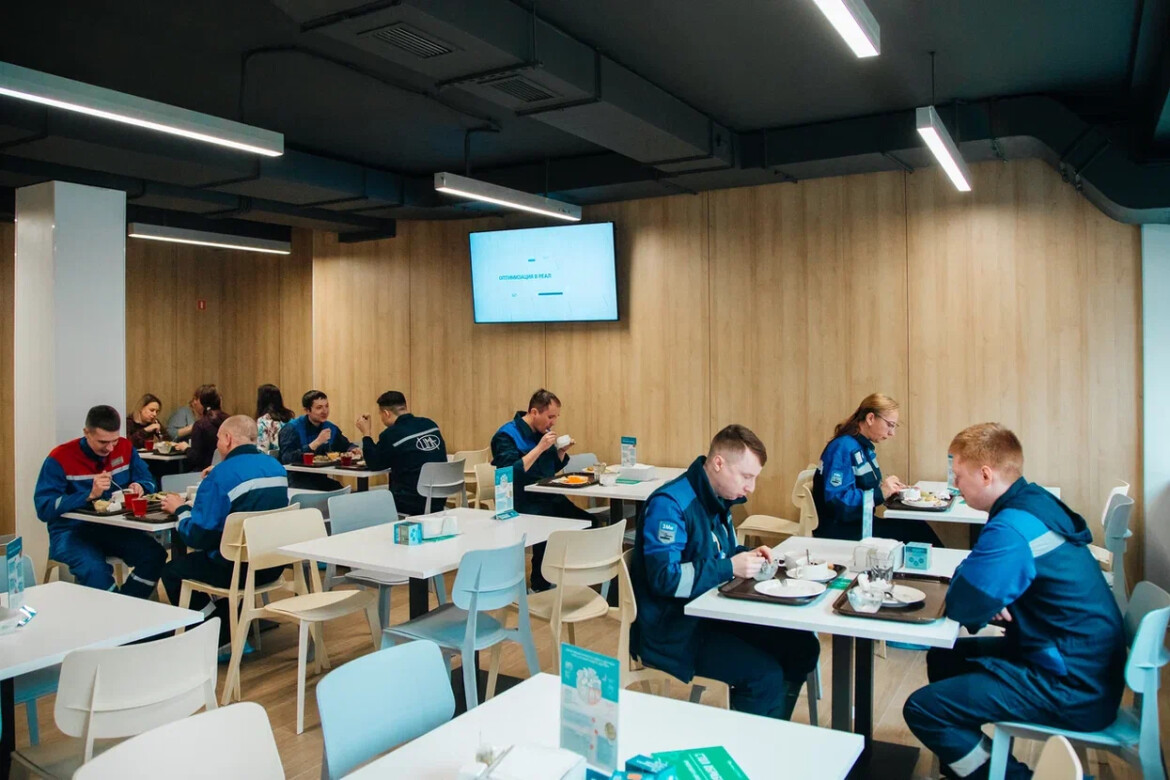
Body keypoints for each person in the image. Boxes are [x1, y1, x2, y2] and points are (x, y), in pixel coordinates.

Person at [903, 424, 1125, 780]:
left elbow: (963, 603)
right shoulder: (1034, 502)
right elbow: (977, 583)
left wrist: (989, 593)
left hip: (1071, 685)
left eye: (958, 476)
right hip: (1084, 665)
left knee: (924, 709)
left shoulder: (1012, 527)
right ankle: (964, 770)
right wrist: (992, 592)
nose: (954, 485)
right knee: (945, 656)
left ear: (985, 474)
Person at [631, 425, 820, 720]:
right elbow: (665, 579)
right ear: (718, 463)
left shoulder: (718, 498)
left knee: (802, 647)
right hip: (673, 630)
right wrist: (730, 566)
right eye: (746, 476)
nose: (751, 487)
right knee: (763, 677)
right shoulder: (670, 505)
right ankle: (751, 742)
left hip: (711, 615)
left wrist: (747, 555)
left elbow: (718, 552)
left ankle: (774, 730)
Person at [160, 415, 289, 645]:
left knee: (173, 571)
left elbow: (197, 536)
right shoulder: (276, 467)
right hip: (270, 564)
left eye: (219, 439)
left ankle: (214, 631)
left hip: (236, 570)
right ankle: (229, 624)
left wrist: (180, 510)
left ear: (228, 439)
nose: (217, 444)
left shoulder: (221, 476)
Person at [32, 405, 166, 598]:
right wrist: (89, 495)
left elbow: (148, 479)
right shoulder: (60, 458)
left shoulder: (125, 447)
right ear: (86, 433)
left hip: (114, 528)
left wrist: (140, 486)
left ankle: (126, 606)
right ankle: (118, 612)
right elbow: (44, 507)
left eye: (114, 441)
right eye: (103, 442)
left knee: (154, 555)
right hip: (70, 531)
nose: (110, 448)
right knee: (95, 571)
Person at [491, 389, 593, 591]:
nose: (553, 422)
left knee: (589, 523)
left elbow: (549, 469)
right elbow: (509, 473)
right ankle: (540, 584)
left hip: (549, 496)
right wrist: (539, 448)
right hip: (521, 500)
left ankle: (575, 578)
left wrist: (561, 451)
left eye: (556, 417)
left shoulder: (542, 432)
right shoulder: (506, 435)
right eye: (550, 417)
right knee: (547, 530)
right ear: (534, 412)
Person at [812, 393, 940, 545]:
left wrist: (891, 490)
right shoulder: (843, 447)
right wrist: (881, 493)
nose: (892, 433)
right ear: (871, 418)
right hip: (840, 529)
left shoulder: (862, 447)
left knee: (916, 526)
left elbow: (864, 487)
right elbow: (838, 503)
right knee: (916, 531)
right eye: (890, 425)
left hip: (857, 522)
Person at [356, 391, 448, 515]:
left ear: (386, 413)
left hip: (412, 501)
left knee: (368, 501)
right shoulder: (430, 424)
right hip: (439, 497)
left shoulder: (391, 434)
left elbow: (374, 464)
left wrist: (366, 433)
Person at [279, 390, 358, 490]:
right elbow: (287, 458)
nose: (325, 411)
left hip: (320, 478)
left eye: (327, 406)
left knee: (341, 490)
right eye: (319, 407)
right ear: (307, 410)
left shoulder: (330, 427)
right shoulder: (292, 428)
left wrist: (353, 449)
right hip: (296, 480)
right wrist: (316, 443)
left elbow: (345, 445)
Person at [187, 385, 228, 472]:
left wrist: (186, 449)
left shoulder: (200, 425)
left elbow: (195, 458)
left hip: (204, 472)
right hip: (227, 469)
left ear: (202, 402)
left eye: (196, 399)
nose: (194, 403)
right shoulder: (230, 420)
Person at [255, 384, 294, 457]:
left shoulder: (263, 421)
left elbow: (262, 450)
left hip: (272, 460)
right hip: (290, 458)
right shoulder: (290, 418)